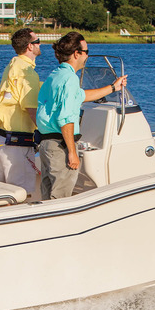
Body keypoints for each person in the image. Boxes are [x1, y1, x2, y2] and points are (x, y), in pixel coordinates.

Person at [36, 31, 127, 199]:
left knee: (48, 195)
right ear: (76, 54)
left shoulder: (55, 75)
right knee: (60, 198)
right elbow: (65, 119)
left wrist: (113, 87)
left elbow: (81, 96)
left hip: (46, 144)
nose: (87, 56)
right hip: (60, 146)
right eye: (86, 52)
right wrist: (72, 152)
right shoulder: (70, 79)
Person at [0, 28, 42, 196]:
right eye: (37, 41)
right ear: (30, 46)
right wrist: (46, 134)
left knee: (4, 192)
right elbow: (32, 110)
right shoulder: (27, 73)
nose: (40, 44)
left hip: (1, 139)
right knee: (21, 193)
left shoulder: (12, 66)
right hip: (17, 143)